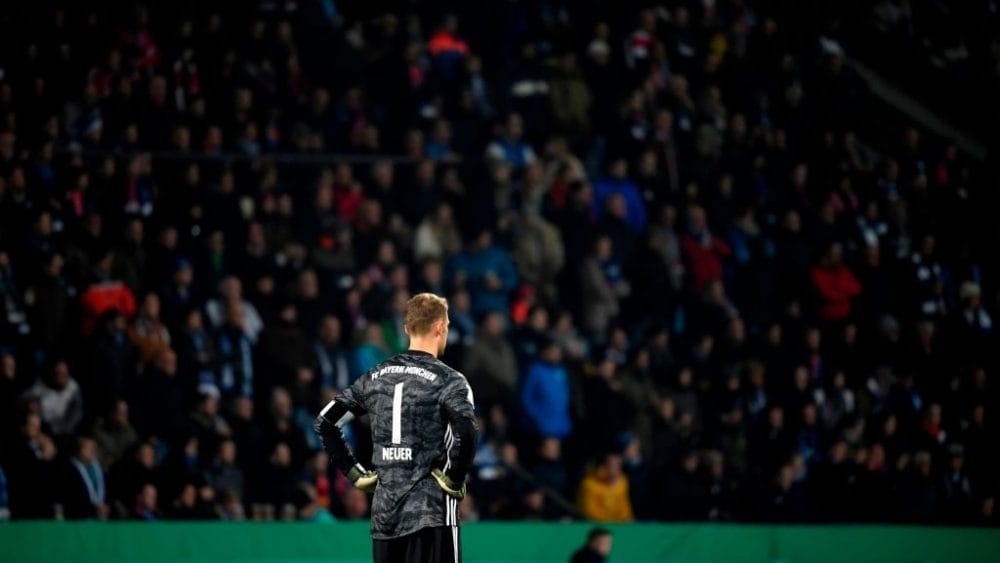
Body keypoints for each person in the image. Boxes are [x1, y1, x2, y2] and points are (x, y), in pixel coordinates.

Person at [315, 293, 477, 563]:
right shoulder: (450, 380)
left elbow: (325, 422)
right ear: (440, 327)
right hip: (432, 514)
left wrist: (354, 473)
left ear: (407, 329)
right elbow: (467, 432)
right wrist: (454, 478)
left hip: (385, 520)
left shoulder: (374, 376)